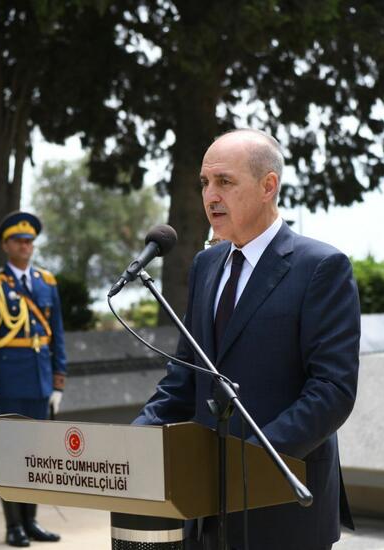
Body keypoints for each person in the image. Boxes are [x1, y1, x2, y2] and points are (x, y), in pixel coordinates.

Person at [133, 129, 360, 550]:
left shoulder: (321, 266)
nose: (210, 196)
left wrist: (251, 462)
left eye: (225, 181)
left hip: (283, 505)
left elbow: (332, 391)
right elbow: (184, 379)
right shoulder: (206, 265)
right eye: (205, 183)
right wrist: (130, 444)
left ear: (268, 186)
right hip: (205, 505)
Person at [0, 210, 67, 547]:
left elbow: (57, 335)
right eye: (18, 241)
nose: (25, 246)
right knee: (11, 456)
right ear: (6, 245)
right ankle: (13, 525)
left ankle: (31, 521)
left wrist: (58, 382)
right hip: (9, 384)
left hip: (40, 383)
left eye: (29, 241)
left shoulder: (46, 282)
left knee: (37, 456)